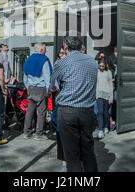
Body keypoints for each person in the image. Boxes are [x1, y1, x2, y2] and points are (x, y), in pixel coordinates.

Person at [50, 36, 98, 172]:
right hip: (87, 110)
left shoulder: (62, 62)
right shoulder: (92, 61)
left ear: (66, 47)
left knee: (72, 154)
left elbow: (52, 86)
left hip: (68, 111)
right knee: (88, 150)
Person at [23, 43, 52, 140]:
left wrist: (28, 87)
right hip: (41, 88)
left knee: (30, 111)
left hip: (31, 88)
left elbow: (25, 77)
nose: (46, 51)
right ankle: (39, 133)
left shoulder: (28, 59)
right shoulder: (44, 60)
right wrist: (48, 90)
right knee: (41, 112)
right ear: (41, 50)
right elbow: (47, 76)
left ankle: (27, 132)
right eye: (45, 49)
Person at [96, 58, 114, 139]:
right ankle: (100, 130)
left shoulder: (109, 72)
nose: (101, 67)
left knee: (106, 113)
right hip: (98, 94)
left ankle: (106, 126)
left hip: (106, 95)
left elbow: (111, 85)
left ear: (105, 65)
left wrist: (111, 97)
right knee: (100, 112)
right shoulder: (96, 72)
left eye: (103, 66)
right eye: (100, 66)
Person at [107, 46, 118, 131]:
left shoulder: (122, 57)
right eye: (116, 52)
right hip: (112, 84)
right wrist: (111, 77)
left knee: (116, 101)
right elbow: (109, 68)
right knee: (112, 101)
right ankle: (111, 121)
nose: (117, 54)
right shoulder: (111, 58)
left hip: (118, 84)